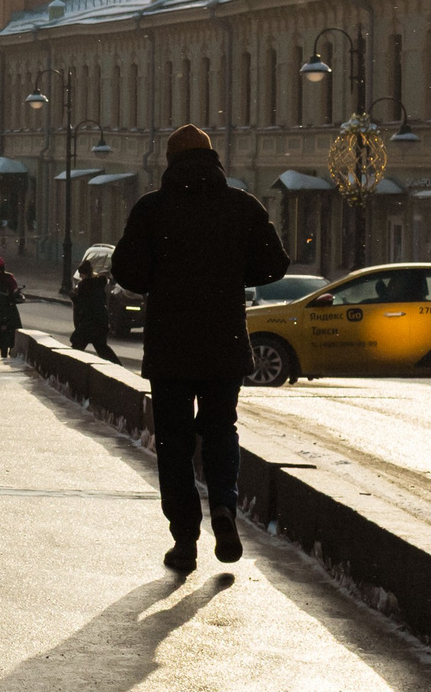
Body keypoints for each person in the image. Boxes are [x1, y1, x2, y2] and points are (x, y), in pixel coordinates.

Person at [109, 123, 289, 573]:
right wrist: (231, 272)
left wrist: (163, 277)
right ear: (214, 160)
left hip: (170, 346)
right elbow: (275, 264)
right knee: (221, 429)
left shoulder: (152, 208)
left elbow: (127, 272)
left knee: (174, 443)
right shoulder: (241, 205)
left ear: (170, 162)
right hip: (224, 343)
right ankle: (224, 507)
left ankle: (185, 539)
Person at [70, 259, 121, 363]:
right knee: (101, 347)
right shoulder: (99, 284)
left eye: (81, 274)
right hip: (100, 321)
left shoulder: (84, 286)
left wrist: (74, 298)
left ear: (83, 273)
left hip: (89, 323)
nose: (80, 277)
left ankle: (69, 366)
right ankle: (117, 365)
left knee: (78, 345)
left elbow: (83, 304)